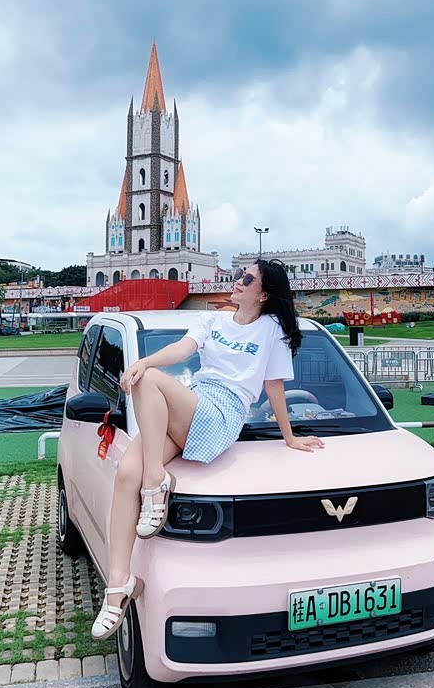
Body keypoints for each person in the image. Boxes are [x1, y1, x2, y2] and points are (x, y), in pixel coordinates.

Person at [91, 259, 324, 640]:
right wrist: (145, 360)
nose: (237, 281)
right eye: (238, 275)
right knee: (126, 473)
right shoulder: (213, 320)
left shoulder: (272, 330)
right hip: (195, 403)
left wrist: (290, 437)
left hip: (223, 414)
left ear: (263, 294)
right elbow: (181, 349)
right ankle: (119, 586)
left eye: (247, 278)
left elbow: (274, 386)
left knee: (147, 381)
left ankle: (155, 483)